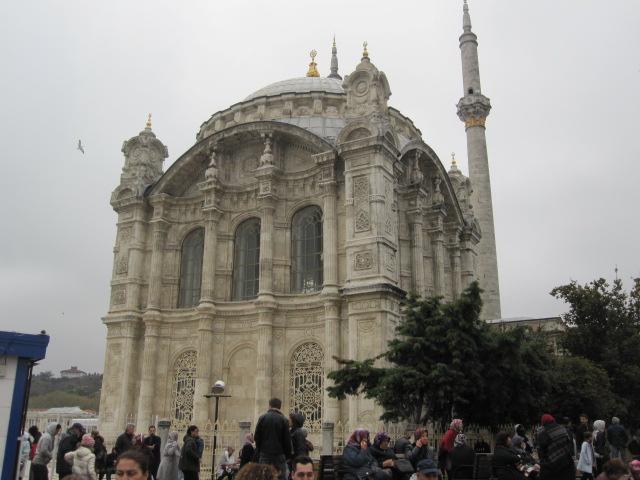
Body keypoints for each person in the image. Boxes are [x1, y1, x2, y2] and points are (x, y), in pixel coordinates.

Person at [254, 397, 292, 480]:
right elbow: (287, 440)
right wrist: (287, 454)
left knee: (263, 476)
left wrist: (260, 449)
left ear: (270, 406)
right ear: (280, 407)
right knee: (281, 476)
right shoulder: (284, 420)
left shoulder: (262, 418)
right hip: (279, 453)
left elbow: (257, 436)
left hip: (265, 453)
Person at [535, 414, 575, 480]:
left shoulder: (542, 433)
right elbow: (569, 442)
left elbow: (542, 452)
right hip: (566, 462)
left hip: (552, 467)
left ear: (543, 422)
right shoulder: (562, 428)